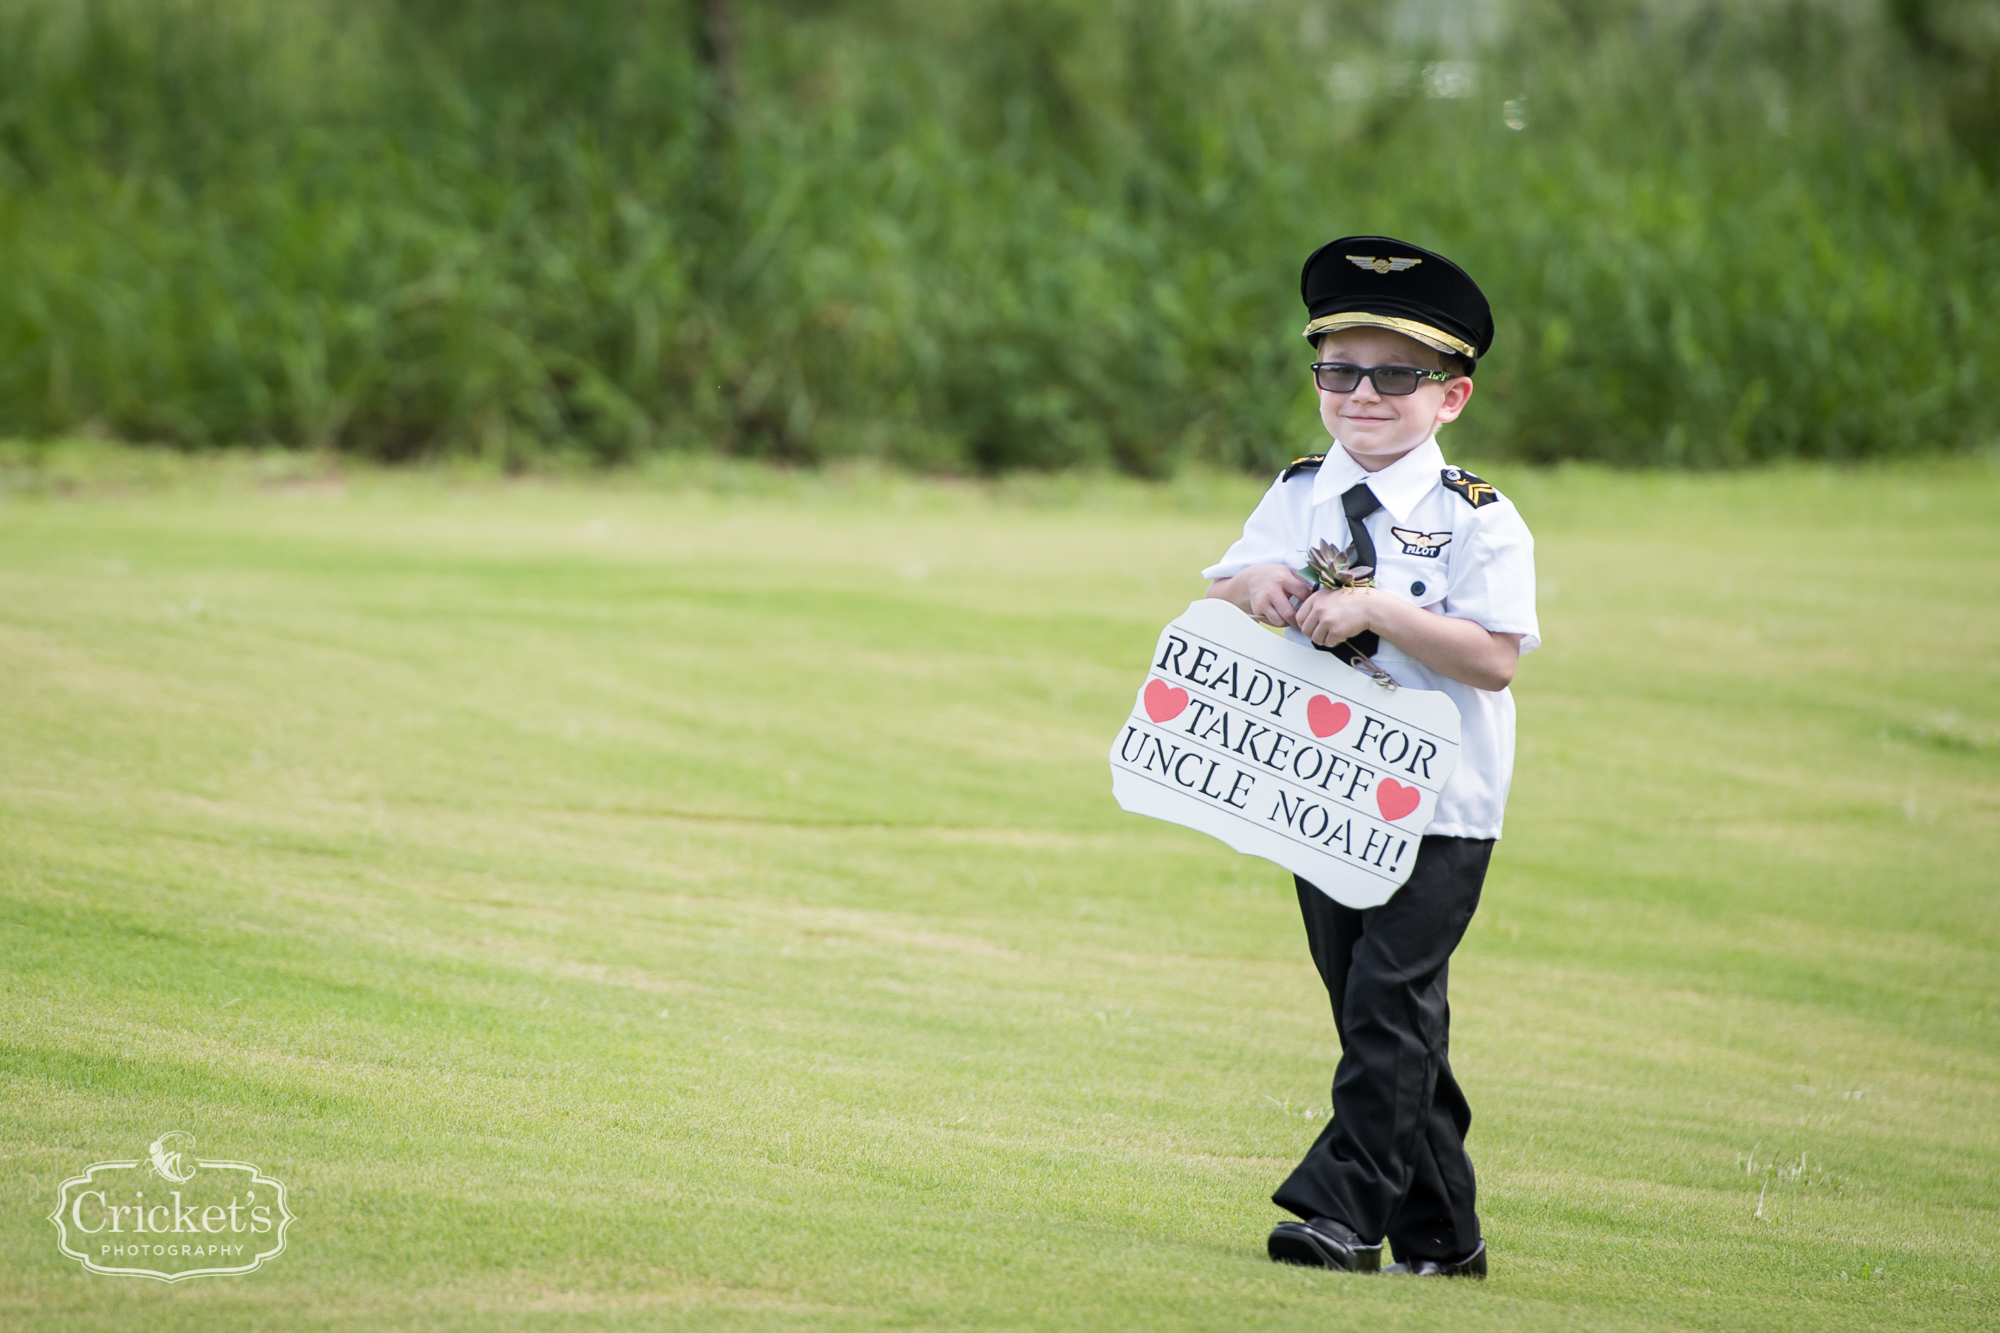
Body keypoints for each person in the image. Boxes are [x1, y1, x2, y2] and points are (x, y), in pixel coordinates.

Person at [1203, 237, 1539, 1279]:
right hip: (1324, 790)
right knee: (1377, 1010)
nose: (1361, 393)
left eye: (1395, 374)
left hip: (1438, 807)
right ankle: (1443, 1238)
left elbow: (1491, 659)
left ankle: (1337, 1212)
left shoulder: (1474, 519)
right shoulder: (1301, 489)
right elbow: (1227, 578)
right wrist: (1255, 588)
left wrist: (1380, 607)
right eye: (1337, 369)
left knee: (1388, 1004)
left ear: (1450, 397)